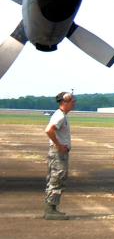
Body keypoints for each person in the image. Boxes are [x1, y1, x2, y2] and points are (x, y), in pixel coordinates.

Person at [43, 91, 76, 220]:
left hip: (58, 153)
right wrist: (59, 145)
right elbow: (49, 130)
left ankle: (51, 208)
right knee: (57, 179)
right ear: (65, 102)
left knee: (54, 178)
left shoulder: (61, 115)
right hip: (58, 153)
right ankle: (51, 210)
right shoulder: (60, 116)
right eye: (72, 101)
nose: (74, 104)